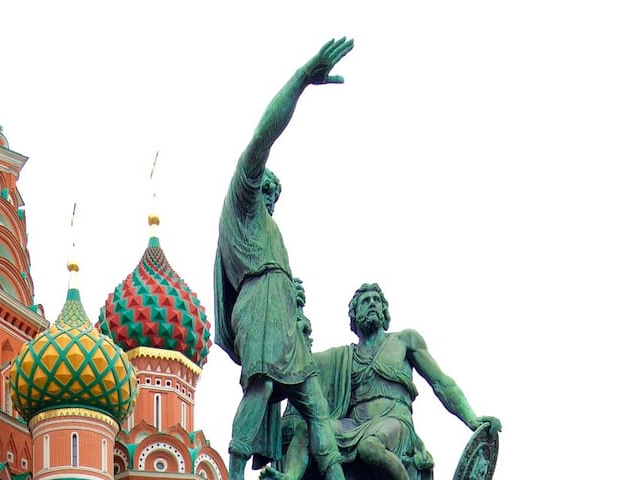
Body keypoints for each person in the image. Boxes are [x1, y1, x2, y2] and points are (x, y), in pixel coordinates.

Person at [212, 38, 355, 480]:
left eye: (274, 190)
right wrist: (300, 81)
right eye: (267, 185)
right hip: (262, 303)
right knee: (262, 385)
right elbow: (263, 136)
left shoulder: (268, 226)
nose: (271, 192)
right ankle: (234, 473)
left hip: (280, 305)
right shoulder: (244, 200)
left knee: (314, 399)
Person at [265, 284, 500, 480]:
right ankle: (289, 477)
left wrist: (470, 418)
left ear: (385, 312)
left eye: (377, 300)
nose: (372, 304)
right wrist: (292, 312)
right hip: (353, 423)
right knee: (308, 428)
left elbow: (441, 383)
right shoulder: (343, 356)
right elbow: (299, 365)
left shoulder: (404, 340)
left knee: (369, 447)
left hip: (394, 421)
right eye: (365, 301)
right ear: (354, 317)